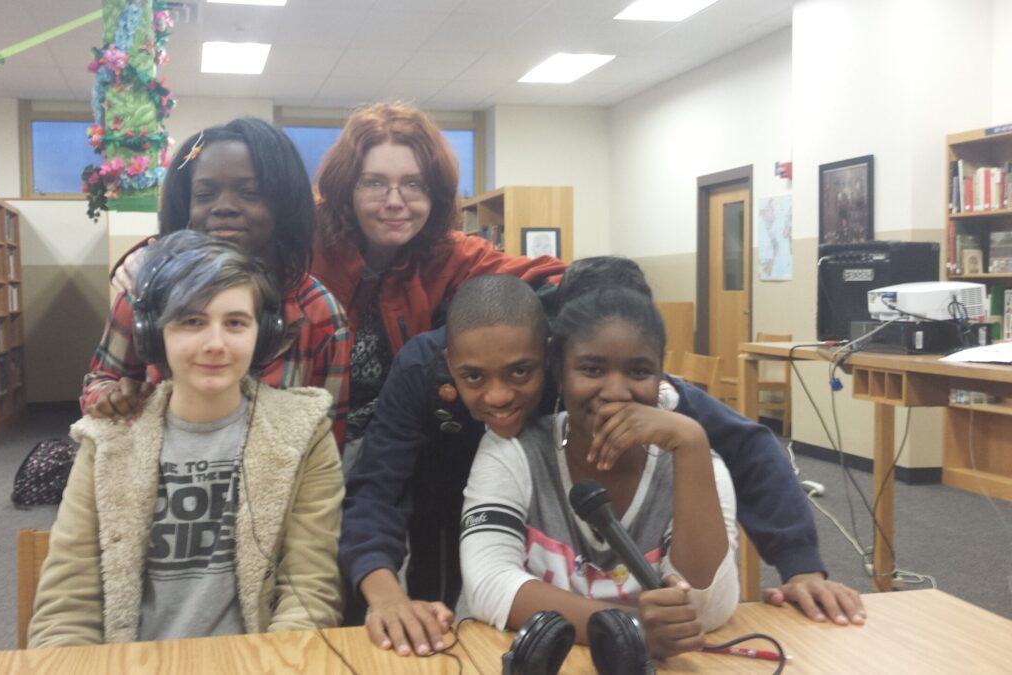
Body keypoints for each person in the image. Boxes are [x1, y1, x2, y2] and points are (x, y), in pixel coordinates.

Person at [340, 258, 863, 658]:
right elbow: (380, 486)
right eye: (475, 376)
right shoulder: (431, 365)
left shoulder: (627, 384)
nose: (499, 395)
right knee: (442, 616)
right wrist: (383, 587)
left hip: (552, 536)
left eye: (522, 373)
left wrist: (801, 566)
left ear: (549, 358)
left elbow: (747, 446)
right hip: (451, 497)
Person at [29, 232, 343, 647]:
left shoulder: (305, 434)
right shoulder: (108, 440)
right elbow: (65, 610)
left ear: (262, 334)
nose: (215, 344)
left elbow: (310, 593)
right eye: (191, 321)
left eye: (235, 323)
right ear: (153, 334)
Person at [460, 282, 737, 657]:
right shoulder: (512, 452)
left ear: (660, 377)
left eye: (639, 372)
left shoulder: (695, 463)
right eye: (591, 369)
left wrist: (691, 442)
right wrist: (630, 628)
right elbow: (488, 584)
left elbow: (706, 611)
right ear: (558, 372)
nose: (616, 392)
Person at [311, 102, 567, 448]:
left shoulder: (446, 251)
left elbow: (558, 280)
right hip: (313, 446)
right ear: (346, 190)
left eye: (414, 184)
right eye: (373, 183)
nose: (395, 201)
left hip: (398, 448)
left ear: (435, 193)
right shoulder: (308, 247)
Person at [83, 118, 350, 445]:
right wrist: (111, 396)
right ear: (186, 205)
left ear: (283, 204)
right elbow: (99, 381)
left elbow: (327, 437)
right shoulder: (144, 290)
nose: (224, 207)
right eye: (205, 194)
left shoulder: (321, 313)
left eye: (251, 193)